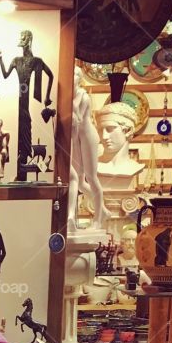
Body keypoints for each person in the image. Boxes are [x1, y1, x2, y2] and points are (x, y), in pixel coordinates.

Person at [0, 30, 54, 182]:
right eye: (20, 37)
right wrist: (0, 59)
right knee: (23, 121)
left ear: (29, 39)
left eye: (23, 37)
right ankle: (21, 165)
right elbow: (5, 74)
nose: (21, 40)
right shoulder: (16, 60)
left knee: (25, 121)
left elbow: (51, 75)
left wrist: (47, 97)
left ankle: (24, 161)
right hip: (21, 100)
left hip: (25, 101)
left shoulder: (37, 61)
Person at [68, 68, 110, 233]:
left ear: (79, 79)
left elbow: (77, 117)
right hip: (76, 137)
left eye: (74, 76)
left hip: (87, 136)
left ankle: (98, 219)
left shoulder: (83, 96)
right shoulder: (71, 95)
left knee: (91, 177)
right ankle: (104, 210)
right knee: (78, 180)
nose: (71, 80)